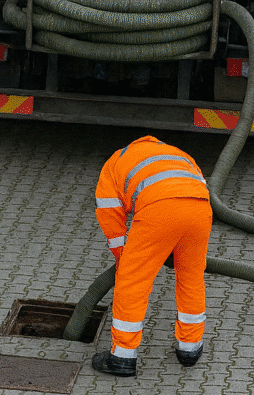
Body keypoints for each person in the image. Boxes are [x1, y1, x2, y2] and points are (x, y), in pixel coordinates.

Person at [91, 135, 212, 377]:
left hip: (159, 210)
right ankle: (190, 348)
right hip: (200, 209)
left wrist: (122, 258)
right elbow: (198, 186)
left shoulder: (114, 164)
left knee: (132, 281)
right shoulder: (178, 154)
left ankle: (122, 355)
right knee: (191, 277)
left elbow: (110, 217)